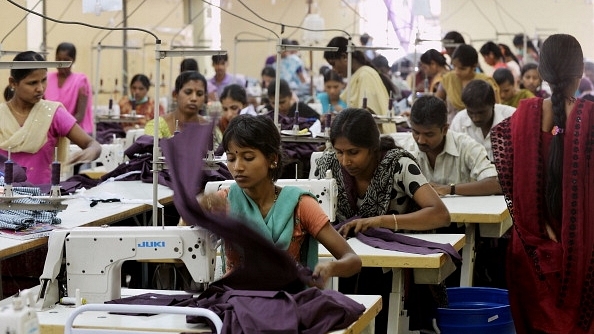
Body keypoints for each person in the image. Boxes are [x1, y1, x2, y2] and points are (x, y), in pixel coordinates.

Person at [491, 33, 594, 334]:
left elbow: (510, 181)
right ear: (580, 73)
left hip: (533, 252)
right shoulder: (590, 120)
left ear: (543, 74)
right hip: (585, 255)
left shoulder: (520, 119)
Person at [313, 108, 451, 333]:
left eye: (353, 152)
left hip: (392, 264)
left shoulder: (398, 164)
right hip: (345, 258)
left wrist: (381, 221)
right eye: (340, 151)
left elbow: (439, 214)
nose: (345, 160)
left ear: (373, 147)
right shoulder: (329, 164)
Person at [197, 114, 362, 289]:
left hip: (287, 302)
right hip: (236, 300)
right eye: (231, 159)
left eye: (248, 157)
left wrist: (330, 267)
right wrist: (195, 210)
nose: (237, 167)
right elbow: (187, 235)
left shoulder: (300, 206)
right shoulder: (223, 202)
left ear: (272, 159)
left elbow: (352, 260)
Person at [0, 51, 101, 184]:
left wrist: (90, 151)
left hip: (43, 199)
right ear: (13, 83)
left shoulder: (53, 113)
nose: (40, 88)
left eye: (44, 80)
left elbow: (93, 144)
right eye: (32, 83)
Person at [400, 95, 502, 196]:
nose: (421, 140)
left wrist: (450, 189)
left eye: (429, 134)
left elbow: (495, 184)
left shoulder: (466, 146)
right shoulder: (405, 148)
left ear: (444, 129)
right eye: (416, 132)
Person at [324, 36, 398, 133]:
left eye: (333, 64)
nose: (333, 69)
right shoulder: (361, 74)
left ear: (344, 57)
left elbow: (366, 117)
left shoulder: (365, 75)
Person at [450, 80, 515, 161]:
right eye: (470, 112)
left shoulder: (512, 118)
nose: (476, 118)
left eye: (481, 113)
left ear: (493, 104)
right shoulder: (459, 121)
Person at [434, 44, 500, 122]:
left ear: (474, 66)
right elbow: (436, 104)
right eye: (454, 66)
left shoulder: (485, 82)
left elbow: (495, 108)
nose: (457, 71)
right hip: (453, 127)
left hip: (480, 126)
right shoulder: (448, 79)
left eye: (462, 68)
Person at [44, 42, 94, 135]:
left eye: (66, 60)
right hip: (50, 132)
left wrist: (62, 128)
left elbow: (80, 115)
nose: (61, 64)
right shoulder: (47, 79)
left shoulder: (81, 81)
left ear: (73, 60)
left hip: (75, 132)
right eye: (58, 60)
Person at [144, 71, 207, 138]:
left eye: (199, 94)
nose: (194, 98)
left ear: (205, 98)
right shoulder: (156, 127)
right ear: (175, 95)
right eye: (188, 92)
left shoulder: (209, 128)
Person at [214, 84, 257, 151]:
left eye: (234, 108)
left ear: (244, 105)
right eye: (225, 109)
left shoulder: (253, 125)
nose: (229, 114)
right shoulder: (220, 124)